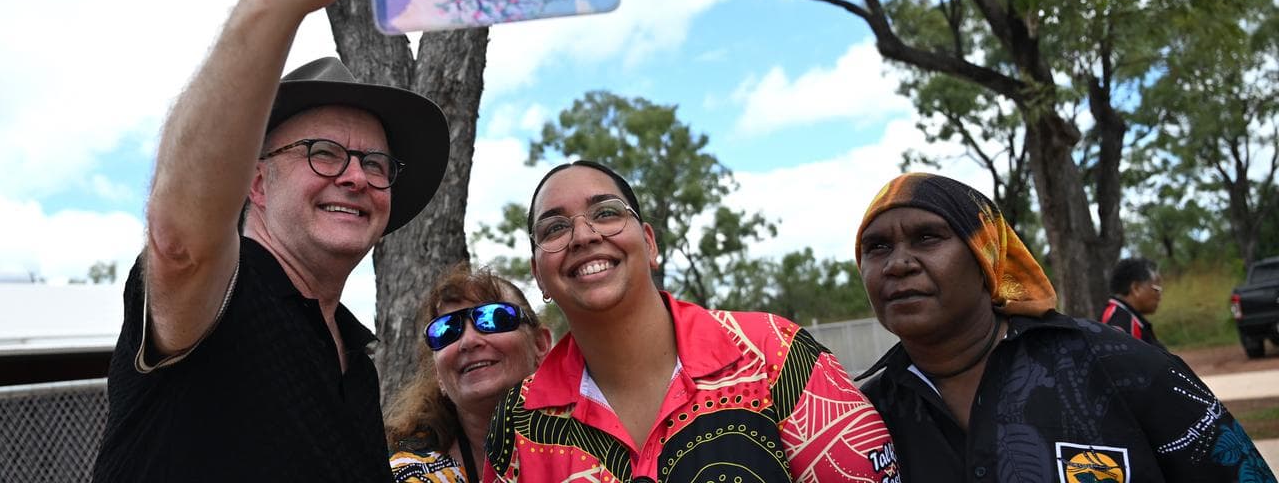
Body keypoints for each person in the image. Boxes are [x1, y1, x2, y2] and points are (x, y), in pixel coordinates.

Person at [91, 0, 467, 483]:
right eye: (324, 153)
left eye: (374, 162)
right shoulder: (222, 296)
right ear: (255, 182)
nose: (355, 176)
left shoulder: (357, 360)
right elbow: (182, 242)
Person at [484, 160, 900, 483]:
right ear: (539, 275)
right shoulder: (519, 422)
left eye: (606, 212)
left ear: (649, 244)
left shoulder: (775, 353)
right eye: (554, 228)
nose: (583, 235)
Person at [853, 172, 1275, 482]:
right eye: (877, 247)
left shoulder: (1121, 368)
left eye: (927, 238)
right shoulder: (858, 418)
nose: (897, 263)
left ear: (986, 259)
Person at [385, 265, 551, 483]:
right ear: (438, 375)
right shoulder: (402, 474)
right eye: (446, 330)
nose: (469, 341)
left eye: (493, 318)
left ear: (540, 345)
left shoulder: (591, 437)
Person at [1100, 257, 1166, 349]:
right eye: (1156, 289)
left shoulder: (1127, 317)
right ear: (1136, 288)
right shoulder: (1120, 322)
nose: (1159, 296)